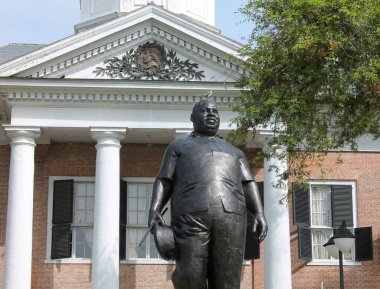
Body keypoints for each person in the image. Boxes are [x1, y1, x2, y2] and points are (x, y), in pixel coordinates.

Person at [148, 99, 267, 289]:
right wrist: (155, 208)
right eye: (205, 111)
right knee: (189, 276)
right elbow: (164, 180)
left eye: (215, 112)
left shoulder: (235, 152)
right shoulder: (178, 147)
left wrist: (259, 212)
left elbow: (248, 183)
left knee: (228, 278)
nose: (211, 114)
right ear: (192, 118)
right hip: (190, 217)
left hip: (231, 218)